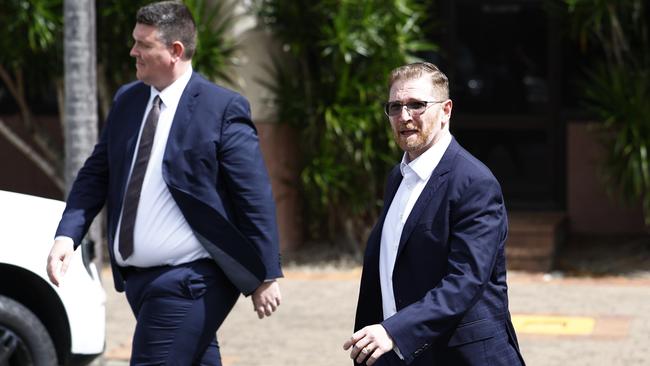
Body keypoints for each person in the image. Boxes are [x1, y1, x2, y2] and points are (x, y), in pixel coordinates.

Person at [46, 1, 282, 364]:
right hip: (138, 283)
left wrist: (266, 272)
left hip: (192, 281)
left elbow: (253, 195)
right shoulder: (128, 99)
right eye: (134, 41)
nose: (133, 51)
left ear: (175, 51)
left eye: (143, 44)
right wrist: (68, 235)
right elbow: (96, 173)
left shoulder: (221, 108)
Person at [343, 62, 525, 366]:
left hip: (461, 357)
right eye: (395, 106)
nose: (404, 116)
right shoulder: (397, 177)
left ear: (446, 110)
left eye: (417, 105)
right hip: (398, 352)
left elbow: (465, 281)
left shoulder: (474, 182)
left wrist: (394, 331)